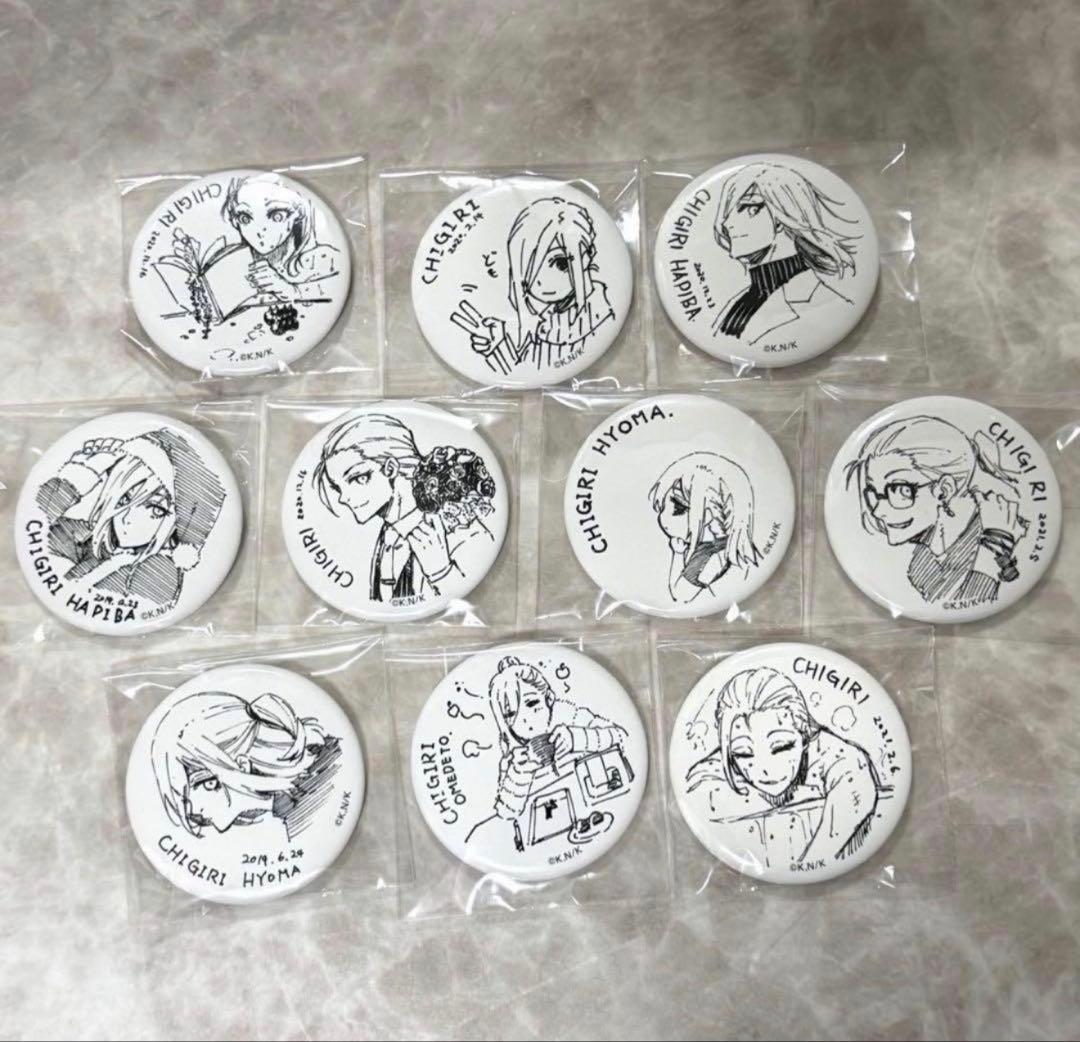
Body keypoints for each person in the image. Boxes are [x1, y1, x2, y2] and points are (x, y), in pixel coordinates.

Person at [686, 667, 882, 865]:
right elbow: (694, 791)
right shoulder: (718, 766)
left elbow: (855, 779)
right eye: (743, 753)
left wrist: (807, 866)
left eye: (782, 746)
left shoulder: (836, 756)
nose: (765, 769)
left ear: (804, 734)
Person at [311, 412, 497, 603]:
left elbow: (474, 596)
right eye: (337, 487)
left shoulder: (463, 530)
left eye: (358, 478)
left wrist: (441, 572)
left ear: (391, 469)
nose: (343, 498)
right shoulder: (388, 538)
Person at [843, 415, 1027, 606]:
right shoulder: (920, 565)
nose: (877, 511)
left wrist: (995, 544)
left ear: (944, 490)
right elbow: (945, 607)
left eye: (900, 490)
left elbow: (977, 603)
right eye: (873, 492)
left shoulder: (1011, 531)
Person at [34, 429, 225, 606]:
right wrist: (78, 477)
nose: (128, 518)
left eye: (156, 510)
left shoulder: (158, 573)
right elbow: (36, 526)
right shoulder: (96, 543)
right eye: (124, 499)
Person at [465, 656, 627, 847]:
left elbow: (621, 736)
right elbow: (506, 812)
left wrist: (577, 738)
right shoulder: (513, 760)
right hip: (551, 836)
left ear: (548, 698)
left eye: (532, 703)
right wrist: (520, 774)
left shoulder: (573, 718)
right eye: (510, 714)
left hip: (601, 808)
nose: (524, 719)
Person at [151, 690, 340, 841]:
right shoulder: (292, 808)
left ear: (241, 765)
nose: (190, 809)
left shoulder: (318, 797)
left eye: (195, 784)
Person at [453, 196, 615, 372]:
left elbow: (541, 369)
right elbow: (522, 373)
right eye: (527, 267)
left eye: (561, 264)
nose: (539, 280)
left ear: (587, 257)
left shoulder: (593, 321)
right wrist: (500, 343)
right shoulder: (546, 322)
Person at [709, 161, 859, 345]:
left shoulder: (830, 308)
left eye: (749, 208)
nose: (727, 223)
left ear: (783, 217)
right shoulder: (743, 299)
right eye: (729, 212)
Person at [648, 452, 762, 604]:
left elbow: (679, 595)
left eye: (675, 507)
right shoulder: (710, 549)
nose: (661, 515)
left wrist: (678, 553)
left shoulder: (715, 557)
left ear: (706, 515)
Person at [220, 174, 342, 303]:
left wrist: (291, 290)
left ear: (298, 214)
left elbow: (336, 290)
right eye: (245, 218)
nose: (260, 230)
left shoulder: (323, 259)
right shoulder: (239, 265)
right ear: (235, 221)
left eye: (276, 216)